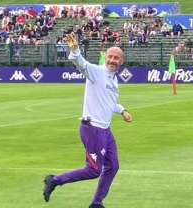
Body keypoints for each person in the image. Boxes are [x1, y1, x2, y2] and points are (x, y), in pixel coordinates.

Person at [43, 34, 133, 208]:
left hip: (105, 130)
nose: (112, 60)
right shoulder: (97, 72)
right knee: (93, 170)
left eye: (116, 58)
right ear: (105, 57)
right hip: (92, 128)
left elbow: (110, 102)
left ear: (121, 61)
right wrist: (75, 49)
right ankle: (54, 180)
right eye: (110, 57)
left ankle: (97, 203)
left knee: (113, 166)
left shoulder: (114, 79)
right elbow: (81, 64)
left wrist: (122, 111)